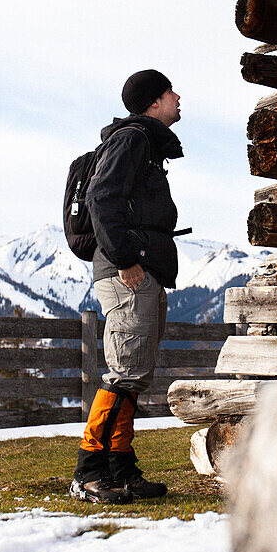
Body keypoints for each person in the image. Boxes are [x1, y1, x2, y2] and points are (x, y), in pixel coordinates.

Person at [70, 69, 183, 504]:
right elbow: (102, 197)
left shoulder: (146, 146)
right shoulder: (133, 139)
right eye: (171, 92)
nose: (178, 98)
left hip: (141, 269)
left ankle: (120, 469)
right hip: (126, 272)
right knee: (124, 374)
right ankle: (89, 472)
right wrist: (126, 260)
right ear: (154, 102)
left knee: (134, 376)